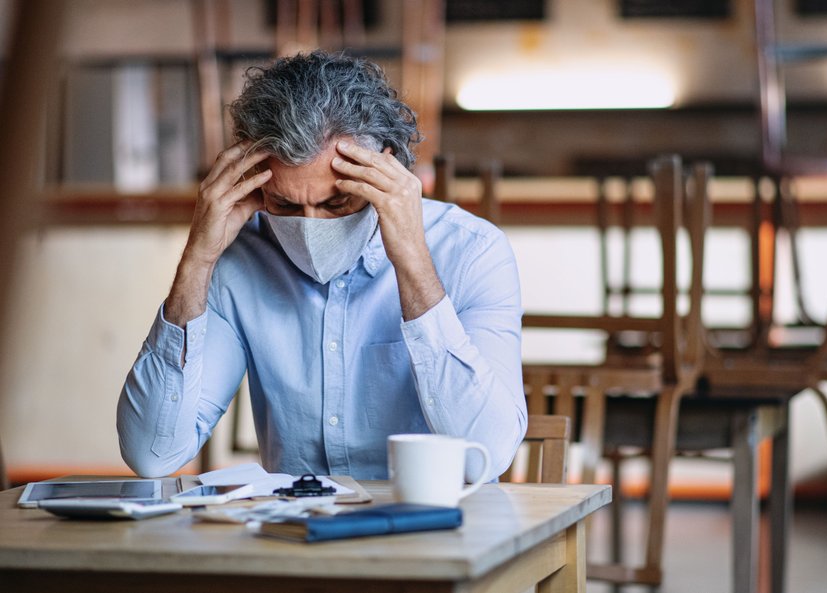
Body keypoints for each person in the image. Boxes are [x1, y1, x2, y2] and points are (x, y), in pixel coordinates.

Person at [117, 51, 526, 481]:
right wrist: (197, 261)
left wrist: (412, 263)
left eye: (337, 203)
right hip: (296, 535)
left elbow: (490, 451)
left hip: (438, 530)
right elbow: (152, 453)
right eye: (286, 205)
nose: (311, 227)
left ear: (386, 170)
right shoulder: (241, 259)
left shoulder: (472, 252)